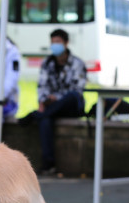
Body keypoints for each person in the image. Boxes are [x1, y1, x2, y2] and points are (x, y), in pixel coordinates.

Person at [21, 29, 87, 175]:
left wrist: (56, 98)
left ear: (66, 43)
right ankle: (48, 164)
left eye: (58, 42)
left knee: (71, 96)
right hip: (52, 107)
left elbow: (78, 89)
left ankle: (35, 115)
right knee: (45, 120)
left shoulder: (78, 63)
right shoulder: (47, 63)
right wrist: (44, 101)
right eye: (53, 43)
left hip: (72, 106)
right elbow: (42, 86)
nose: (54, 45)